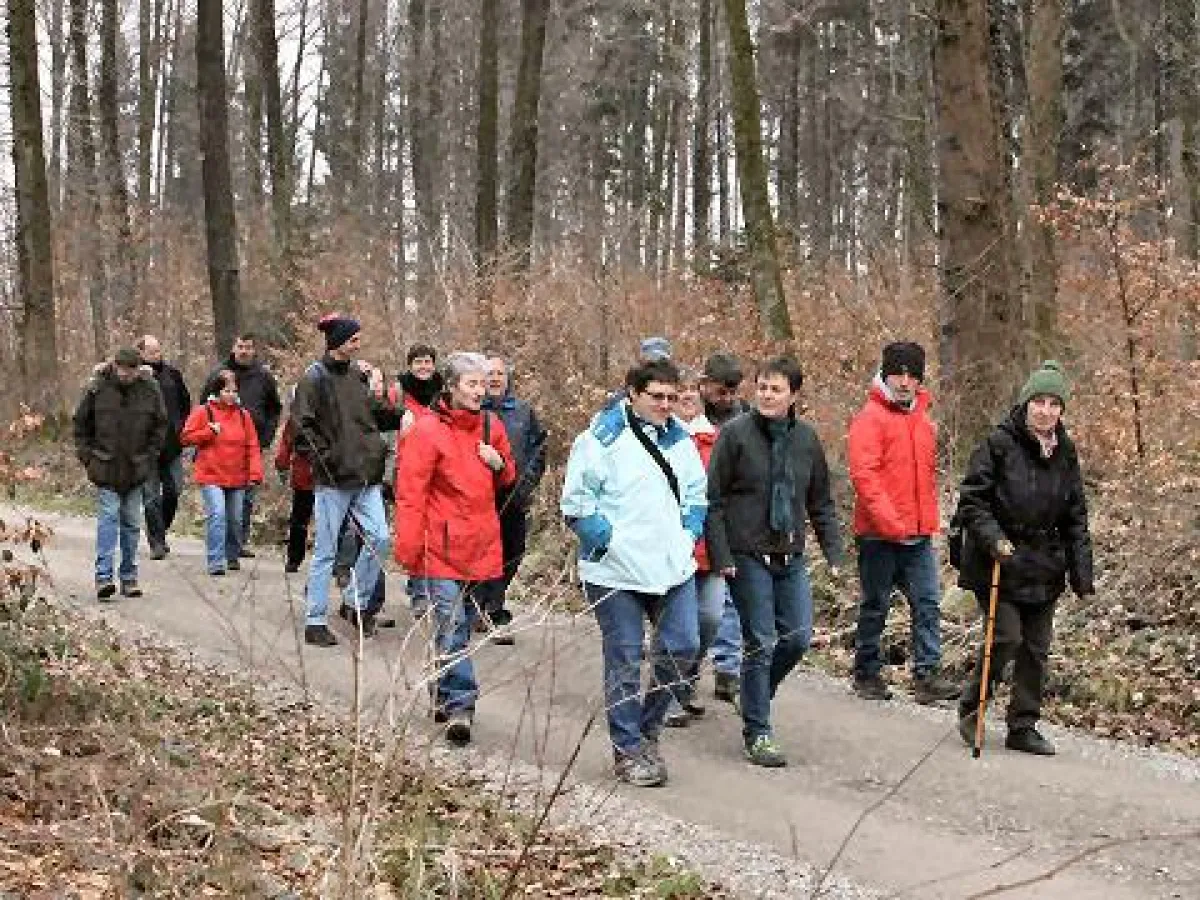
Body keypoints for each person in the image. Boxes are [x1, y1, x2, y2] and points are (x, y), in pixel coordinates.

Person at [560, 358, 706, 787]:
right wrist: (607, 541)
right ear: (633, 394)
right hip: (614, 571)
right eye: (656, 397)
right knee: (624, 655)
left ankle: (647, 729)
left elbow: (697, 495)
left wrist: (687, 535)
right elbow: (576, 503)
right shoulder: (600, 440)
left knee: (683, 647)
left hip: (671, 565)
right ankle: (627, 750)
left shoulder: (681, 440)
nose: (665, 405)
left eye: (672, 398)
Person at [706, 355, 844, 767]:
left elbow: (820, 502)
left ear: (793, 395)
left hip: (790, 552)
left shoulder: (806, 440)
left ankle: (753, 696)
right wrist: (722, 555)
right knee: (760, 641)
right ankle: (759, 732)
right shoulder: (734, 435)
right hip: (746, 553)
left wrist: (834, 551)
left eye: (776, 388)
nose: (767, 395)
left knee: (798, 638)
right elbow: (712, 501)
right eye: (762, 387)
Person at [954, 361, 1094, 756]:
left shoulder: (1066, 453)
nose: (1046, 410)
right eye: (1039, 401)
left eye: (1054, 404)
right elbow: (972, 500)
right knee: (1005, 637)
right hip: (999, 559)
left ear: (1062, 410)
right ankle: (972, 706)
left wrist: (1082, 572)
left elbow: (1075, 516)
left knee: (1036, 647)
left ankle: (1023, 725)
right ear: (1026, 403)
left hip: (1045, 564)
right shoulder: (998, 444)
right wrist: (994, 539)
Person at [393, 352, 516, 745]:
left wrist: (500, 465)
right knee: (452, 625)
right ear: (451, 386)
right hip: (438, 547)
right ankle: (461, 704)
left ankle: (441, 687)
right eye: (472, 384)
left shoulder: (490, 426)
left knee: (455, 625)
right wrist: (409, 551)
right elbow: (410, 494)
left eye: (483, 384)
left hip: (479, 542)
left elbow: (507, 478)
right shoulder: (426, 432)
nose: (480, 391)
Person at [847, 341, 960, 704]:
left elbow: (925, 477)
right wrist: (890, 522)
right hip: (878, 535)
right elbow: (865, 477)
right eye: (898, 373)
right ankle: (866, 671)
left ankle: (927, 675)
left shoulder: (923, 421)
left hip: (919, 533)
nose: (905, 381)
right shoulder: (869, 418)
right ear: (885, 374)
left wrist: (927, 522)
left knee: (927, 603)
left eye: (912, 375)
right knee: (875, 604)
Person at [291, 316, 404, 646]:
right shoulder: (314, 378)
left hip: (366, 476)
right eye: (353, 340)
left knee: (380, 538)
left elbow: (375, 413)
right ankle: (315, 620)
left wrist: (406, 415)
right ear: (338, 341)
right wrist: (327, 459)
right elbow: (302, 427)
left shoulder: (358, 376)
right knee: (326, 551)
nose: (358, 345)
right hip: (332, 479)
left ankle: (354, 601)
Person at [72, 346, 168, 600]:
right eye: (121, 368)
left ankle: (129, 577)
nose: (125, 374)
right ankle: (103, 577)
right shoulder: (97, 388)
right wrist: (87, 458)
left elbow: (160, 425)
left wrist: (150, 457)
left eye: (131, 369)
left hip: (138, 467)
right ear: (114, 366)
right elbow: (81, 424)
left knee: (132, 524)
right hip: (105, 466)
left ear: (138, 369)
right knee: (108, 520)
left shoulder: (150, 390)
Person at [664, 369, 725, 727]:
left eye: (692, 391)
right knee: (677, 626)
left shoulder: (718, 440)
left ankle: (686, 678)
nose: (686, 397)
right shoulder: (661, 439)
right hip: (672, 550)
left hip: (712, 548)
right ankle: (669, 692)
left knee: (711, 617)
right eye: (679, 391)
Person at [475, 352, 549, 644]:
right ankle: (490, 610)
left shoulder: (522, 411)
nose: (494, 379)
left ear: (507, 379)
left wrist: (527, 482)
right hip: (481, 496)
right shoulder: (473, 411)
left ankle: (489, 600)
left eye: (499, 374)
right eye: (489, 374)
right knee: (484, 554)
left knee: (513, 552)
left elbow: (539, 448)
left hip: (515, 495)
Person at [697, 352, 749, 704]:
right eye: (720, 391)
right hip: (702, 515)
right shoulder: (692, 417)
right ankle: (688, 664)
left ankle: (728, 667)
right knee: (707, 604)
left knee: (731, 595)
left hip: (738, 514)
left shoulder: (746, 418)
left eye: (732, 392)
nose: (727, 399)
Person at [180, 370, 264, 575]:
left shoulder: (243, 416)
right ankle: (215, 560)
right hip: (211, 474)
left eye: (234, 391)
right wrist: (209, 432)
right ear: (217, 391)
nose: (231, 395)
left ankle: (232, 554)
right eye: (227, 391)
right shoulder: (203, 412)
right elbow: (185, 437)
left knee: (235, 519)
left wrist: (255, 473)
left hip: (237, 475)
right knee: (217, 514)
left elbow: (252, 445)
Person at [208, 333, 282, 554]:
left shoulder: (263, 376)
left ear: (254, 349)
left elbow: (274, 408)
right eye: (240, 346)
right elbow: (205, 404)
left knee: (247, 496)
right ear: (234, 347)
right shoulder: (219, 374)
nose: (244, 351)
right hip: (221, 447)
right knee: (224, 500)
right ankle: (223, 543)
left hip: (253, 443)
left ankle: (239, 541)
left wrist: (267, 436)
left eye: (248, 347)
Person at [137, 335, 191, 560]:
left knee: (174, 490)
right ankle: (157, 542)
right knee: (150, 497)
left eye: (158, 351)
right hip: (146, 447)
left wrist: (181, 428)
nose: (156, 355)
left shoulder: (172, 375)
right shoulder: (135, 379)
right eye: (151, 352)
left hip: (172, 444)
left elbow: (185, 403)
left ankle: (160, 529)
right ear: (141, 354)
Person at [274, 402, 315, 574]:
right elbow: (286, 443)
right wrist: (282, 465)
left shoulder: (297, 416)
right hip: (306, 473)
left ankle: (294, 558)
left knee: (301, 517)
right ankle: (294, 557)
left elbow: (286, 443)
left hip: (320, 475)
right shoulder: (296, 418)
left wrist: (282, 465)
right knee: (300, 518)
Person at [399, 343, 444, 415]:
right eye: (418, 362)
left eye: (427, 362)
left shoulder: (444, 390)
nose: (423, 366)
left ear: (433, 366)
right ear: (410, 366)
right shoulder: (399, 391)